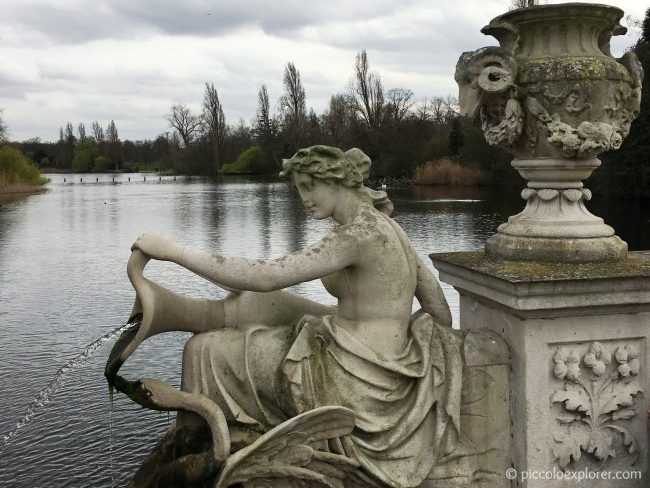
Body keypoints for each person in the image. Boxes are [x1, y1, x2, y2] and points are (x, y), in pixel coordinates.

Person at [131, 145, 461, 488]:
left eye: (309, 186)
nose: (304, 198)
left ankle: (210, 454)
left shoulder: (356, 235)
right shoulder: (392, 230)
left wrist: (174, 252)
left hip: (354, 376)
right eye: (298, 189)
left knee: (207, 352)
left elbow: (267, 275)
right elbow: (441, 313)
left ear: (335, 180)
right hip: (386, 367)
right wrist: (381, 330)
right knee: (266, 311)